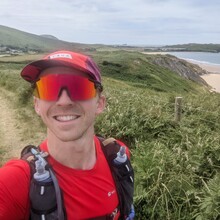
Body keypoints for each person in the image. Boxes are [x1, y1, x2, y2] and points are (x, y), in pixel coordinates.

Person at [0, 50, 134, 219]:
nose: (64, 101)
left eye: (79, 87)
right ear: (37, 105)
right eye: (48, 87)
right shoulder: (13, 182)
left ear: (99, 104)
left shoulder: (118, 157)